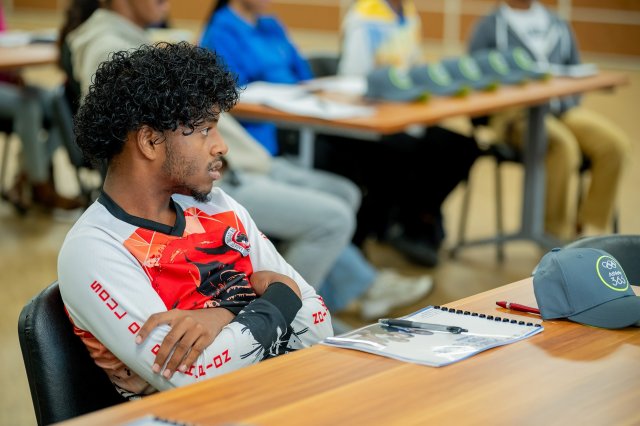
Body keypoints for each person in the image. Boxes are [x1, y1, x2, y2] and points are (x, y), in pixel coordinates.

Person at [62, 0, 431, 325]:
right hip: (217, 176)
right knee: (332, 219)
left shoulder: (140, 39)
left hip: (243, 161)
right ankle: (313, 305)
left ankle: (338, 292)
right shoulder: (108, 48)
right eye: (206, 129)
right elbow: (133, 149)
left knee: (343, 194)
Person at [58, 41, 333, 399]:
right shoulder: (94, 249)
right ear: (150, 141)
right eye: (205, 129)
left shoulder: (218, 207)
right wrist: (279, 294)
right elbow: (195, 378)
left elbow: (319, 323)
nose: (221, 146)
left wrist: (222, 315)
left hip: (280, 398)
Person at [201, 0, 481, 267]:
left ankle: (370, 249)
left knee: (433, 150)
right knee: (379, 159)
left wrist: (310, 92)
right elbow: (229, 96)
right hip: (266, 134)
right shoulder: (221, 30)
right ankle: (377, 239)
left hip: (303, 116)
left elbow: (304, 74)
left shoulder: (271, 25)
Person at [217, 114, 433, 320]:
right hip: (224, 178)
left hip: (251, 160)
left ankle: (334, 297)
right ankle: (292, 316)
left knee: (346, 193)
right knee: (335, 221)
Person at [468, 0, 631, 239]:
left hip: (561, 109)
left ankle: (590, 230)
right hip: (515, 116)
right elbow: (473, 75)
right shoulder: (490, 26)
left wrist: (566, 101)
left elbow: (575, 69)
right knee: (561, 146)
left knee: (614, 145)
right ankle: (556, 236)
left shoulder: (556, 22)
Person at [0, 4, 83, 212]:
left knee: (58, 102)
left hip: (8, 81)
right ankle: (40, 184)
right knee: (28, 106)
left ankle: (23, 177)